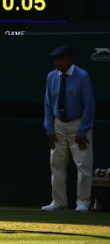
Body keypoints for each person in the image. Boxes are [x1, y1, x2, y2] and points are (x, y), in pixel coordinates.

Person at [42, 46, 95, 212]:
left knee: (83, 163)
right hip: (58, 124)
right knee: (56, 163)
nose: (56, 61)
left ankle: (83, 202)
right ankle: (58, 201)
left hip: (78, 123)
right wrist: (49, 128)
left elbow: (89, 106)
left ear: (69, 59)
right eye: (55, 58)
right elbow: (48, 104)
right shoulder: (51, 77)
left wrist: (82, 130)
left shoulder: (83, 77)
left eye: (60, 58)